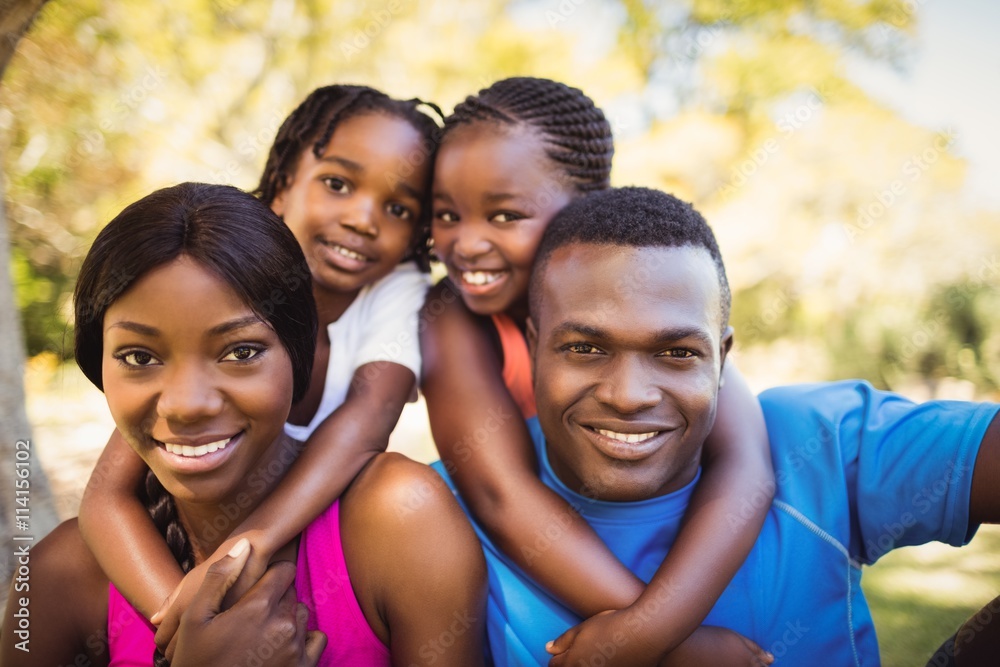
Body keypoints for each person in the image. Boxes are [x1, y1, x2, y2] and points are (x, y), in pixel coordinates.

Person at [431, 185, 1000, 666]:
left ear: (722, 359)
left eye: (677, 354)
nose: (629, 396)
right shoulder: (434, 518)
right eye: (585, 347)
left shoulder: (823, 442)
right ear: (533, 348)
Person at [0, 182, 486, 666]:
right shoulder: (57, 576)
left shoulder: (398, 523)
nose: (187, 405)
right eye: (139, 356)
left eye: (240, 352)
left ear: (297, 358)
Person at [421, 77, 775, 664]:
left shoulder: (660, 318)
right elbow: (498, 492)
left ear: (587, 207)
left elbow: (745, 469)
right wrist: (673, 645)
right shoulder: (450, 319)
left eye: (504, 215)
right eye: (446, 214)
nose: (467, 243)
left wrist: (646, 632)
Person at [76, 85, 444, 647]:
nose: (364, 219)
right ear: (280, 185)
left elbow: (370, 416)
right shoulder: (217, 271)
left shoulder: (395, 292)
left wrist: (245, 549)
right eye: (338, 183)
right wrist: (189, 632)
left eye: (399, 208)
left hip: (320, 545)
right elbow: (106, 497)